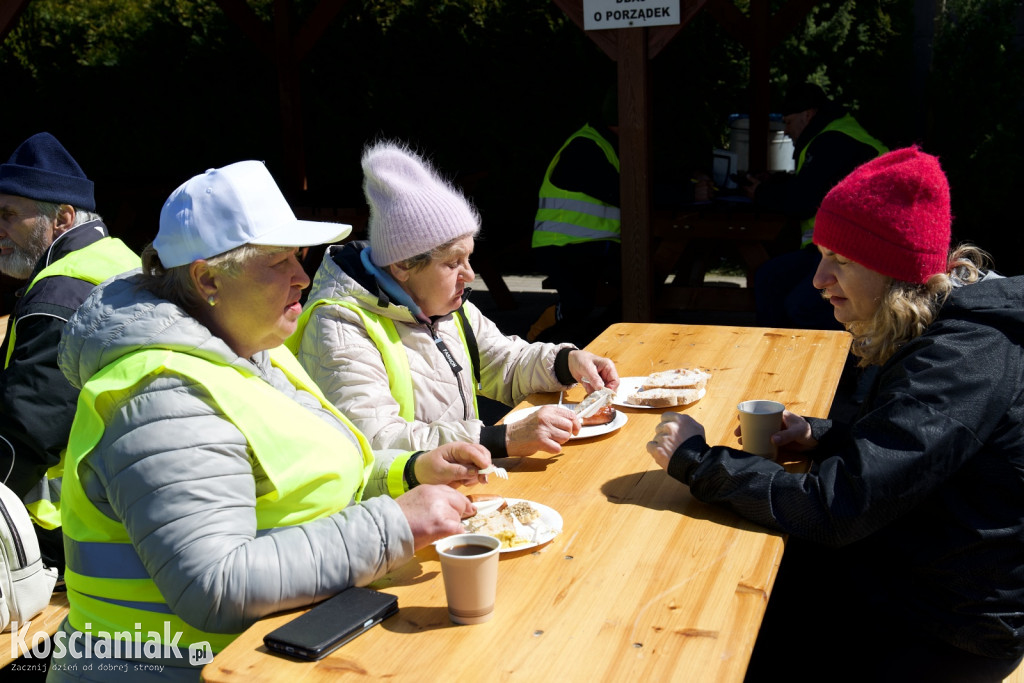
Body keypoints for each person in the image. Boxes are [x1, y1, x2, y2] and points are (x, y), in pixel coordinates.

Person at [48, 160, 493, 681]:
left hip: (283, 650)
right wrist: (395, 522)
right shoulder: (161, 392)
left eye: (298, 258)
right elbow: (215, 584)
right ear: (208, 277)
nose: (303, 277)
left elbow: (307, 484)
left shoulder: (251, 345)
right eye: (279, 261)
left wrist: (410, 472)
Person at [646, 147, 1024, 682]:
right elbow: (923, 447)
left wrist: (698, 461)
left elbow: (835, 508)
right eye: (821, 254)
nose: (819, 278)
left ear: (896, 269)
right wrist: (821, 435)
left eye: (840, 260)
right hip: (918, 574)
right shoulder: (952, 331)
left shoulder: (961, 361)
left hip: (948, 627)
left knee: (721, 626)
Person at [291, 141, 619, 457]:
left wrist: (567, 362)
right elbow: (377, 441)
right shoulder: (339, 325)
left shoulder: (446, 306)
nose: (470, 275)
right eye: (453, 262)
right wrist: (498, 439)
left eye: (469, 258)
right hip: (400, 508)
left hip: (453, 487)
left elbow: (505, 363)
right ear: (403, 265)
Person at [0, 132, 140, 576]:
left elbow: (23, 440)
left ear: (62, 218)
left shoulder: (60, 296)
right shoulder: (120, 260)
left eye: (8, 216)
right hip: (126, 513)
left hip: (64, 537)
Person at [748, 82, 888, 330]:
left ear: (807, 115)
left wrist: (761, 192)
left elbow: (800, 202)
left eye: (788, 123)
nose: (787, 132)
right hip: (836, 251)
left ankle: (845, 364)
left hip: (864, 254)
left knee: (801, 305)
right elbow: (811, 187)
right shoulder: (831, 137)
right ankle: (775, 357)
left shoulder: (832, 140)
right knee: (770, 279)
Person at [530, 106, 622, 347]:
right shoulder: (585, 147)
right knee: (579, 308)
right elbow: (623, 192)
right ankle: (537, 336)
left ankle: (596, 340)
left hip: (590, 245)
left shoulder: (604, 143)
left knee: (637, 285)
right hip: (565, 246)